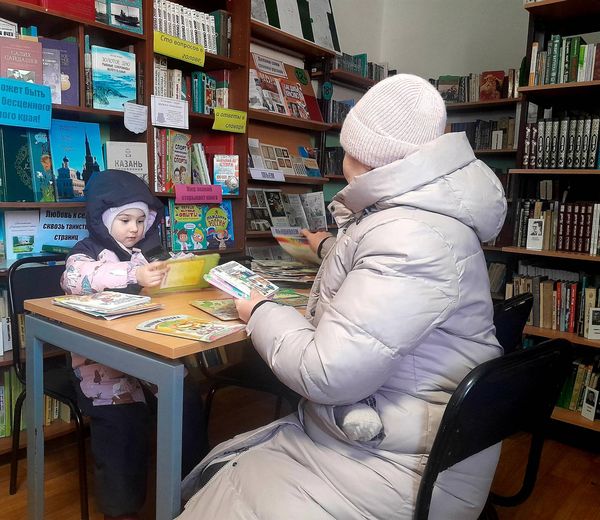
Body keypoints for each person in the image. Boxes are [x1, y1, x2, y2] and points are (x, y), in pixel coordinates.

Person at [177, 74, 507, 519]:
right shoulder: (419, 220)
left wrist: (260, 310)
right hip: (393, 437)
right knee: (223, 478)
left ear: (361, 155)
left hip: (392, 465)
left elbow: (328, 373)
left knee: (215, 493)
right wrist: (326, 250)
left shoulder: (410, 237)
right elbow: (380, 272)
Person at [61, 169, 208, 520]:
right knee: (121, 425)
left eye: (141, 220)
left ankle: (194, 487)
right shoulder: (86, 251)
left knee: (186, 400)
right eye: (125, 220)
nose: (134, 229)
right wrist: (132, 274)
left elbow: (160, 276)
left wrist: (179, 268)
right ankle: (121, 509)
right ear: (103, 218)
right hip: (101, 365)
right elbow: (75, 278)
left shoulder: (146, 252)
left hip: (148, 355)